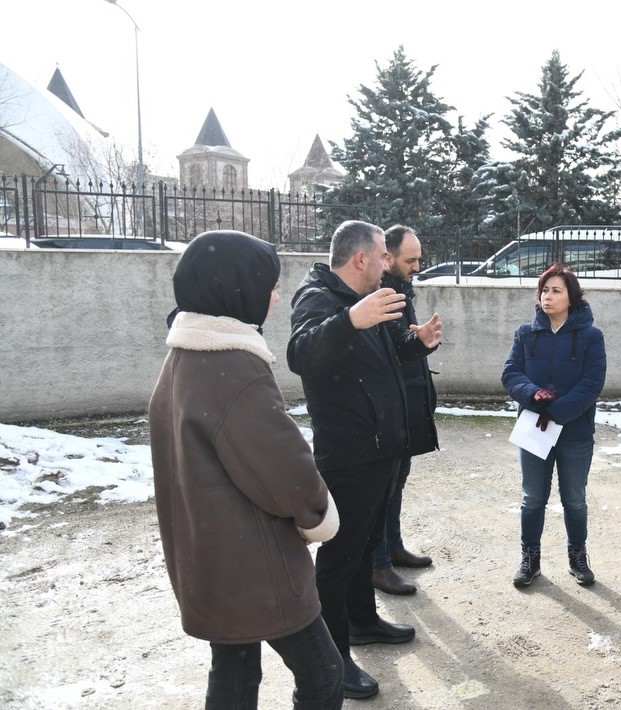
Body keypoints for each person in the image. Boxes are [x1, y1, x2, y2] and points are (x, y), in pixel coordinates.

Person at [149, 230, 344, 709]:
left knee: (235, 673)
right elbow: (282, 469)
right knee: (323, 674)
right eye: (269, 283)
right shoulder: (232, 365)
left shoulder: (181, 358)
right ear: (237, 287)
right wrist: (317, 514)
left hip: (210, 557)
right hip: (255, 564)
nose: (275, 295)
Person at [287, 220, 443, 700]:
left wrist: (417, 342)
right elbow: (301, 355)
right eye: (381, 257)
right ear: (360, 259)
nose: (387, 264)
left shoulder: (370, 300)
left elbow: (388, 354)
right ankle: (333, 660)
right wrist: (352, 318)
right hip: (351, 456)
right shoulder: (319, 298)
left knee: (364, 546)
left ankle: (362, 622)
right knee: (338, 559)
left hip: (382, 450)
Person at [502, 263, 607, 588]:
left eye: (556, 290)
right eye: (544, 290)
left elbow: (592, 383)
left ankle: (577, 557)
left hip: (574, 432)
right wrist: (533, 394)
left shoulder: (591, 336)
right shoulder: (525, 333)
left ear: (571, 297)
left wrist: (556, 411)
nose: (548, 296)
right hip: (534, 426)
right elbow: (510, 373)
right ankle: (530, 559)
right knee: (532, 498)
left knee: (574, 499)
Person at [371, 224, 438, 596]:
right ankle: (378, 564)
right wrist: (416, 341)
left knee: (398, 480)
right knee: (384, 485)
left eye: (418, 258)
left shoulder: (400, 288)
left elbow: (402, 344)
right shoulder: (381, 293)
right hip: (389, 406)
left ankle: (392, 548)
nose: (417, 265)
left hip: (405, 401)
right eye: (410, 259)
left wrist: (422, 341)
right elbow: (389, 349)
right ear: (388, 257)